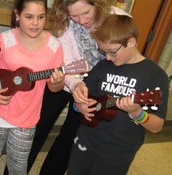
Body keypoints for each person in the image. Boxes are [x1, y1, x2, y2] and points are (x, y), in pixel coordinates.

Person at [13, 0, 129, 175]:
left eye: (86, 12)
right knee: (37, 128)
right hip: (65, 80)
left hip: (95, 88)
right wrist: (75, 84)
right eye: (75, 16)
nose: (82, 21)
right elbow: (63, 65)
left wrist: (86, 89)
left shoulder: (119, 19)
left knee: (70, 136)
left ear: (97, 3)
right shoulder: (65, 25)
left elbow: (123, 60)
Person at [0, 0, 65, 175]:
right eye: (29, 17)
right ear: (17, 15)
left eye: (41, 17)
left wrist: (58, 81)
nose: (36, 23)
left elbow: (54, 87)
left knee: (18, 165)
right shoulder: (4, 40)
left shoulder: (54, 46)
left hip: (27, 117)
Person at [68, 14, 169, 175]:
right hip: (86, 139)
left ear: (131, 42)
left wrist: (137, 113)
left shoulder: (155, 76)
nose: (107, 57)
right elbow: (82, 99)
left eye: (112, 52)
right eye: (104, 51)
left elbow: (157, 127)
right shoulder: (103, 66)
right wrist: (79, 105)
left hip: (118, 152)